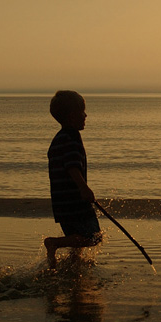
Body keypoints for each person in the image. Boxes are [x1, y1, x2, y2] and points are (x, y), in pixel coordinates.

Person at [44, 91, 102, 268]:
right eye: (82, 112)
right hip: (74, 199)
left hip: (61, 201)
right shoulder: (71, 138)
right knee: (93, 237)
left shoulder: (59, 139)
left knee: (76, 237)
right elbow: (72, 166)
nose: (86, 115)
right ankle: (54, 243)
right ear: (71, 117)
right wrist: (84, 188)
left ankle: (74, 264)